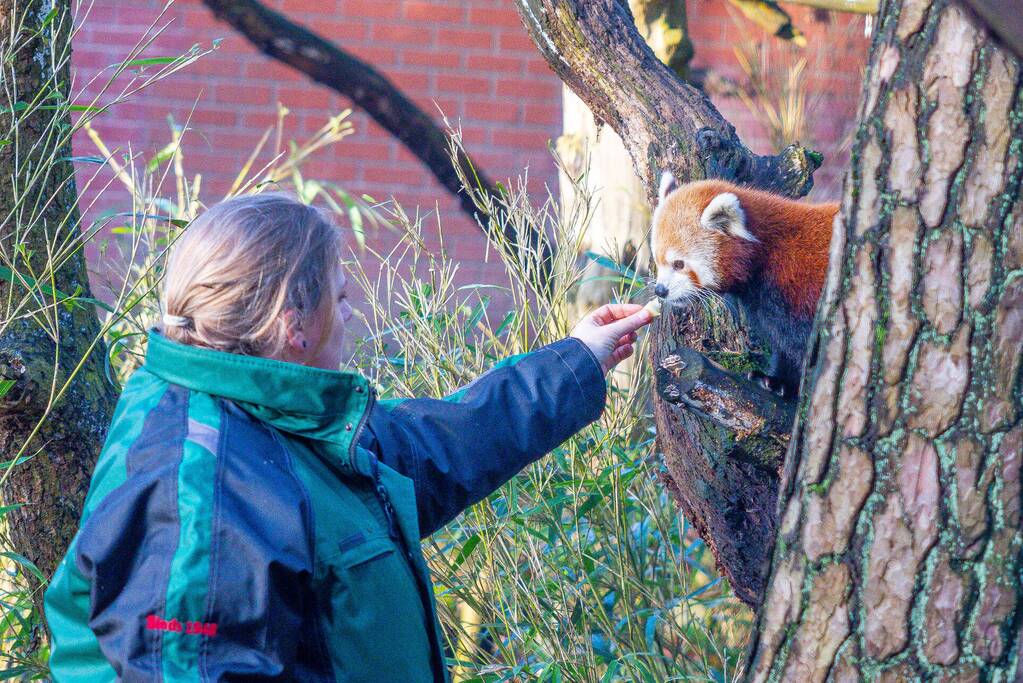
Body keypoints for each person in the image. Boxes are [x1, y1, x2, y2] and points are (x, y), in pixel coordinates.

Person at [43, 193, 654, 682]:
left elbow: (438, 445)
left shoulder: (271, 416)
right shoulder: (199, 498)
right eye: (340, 297)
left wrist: (578, 359)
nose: (352, 313)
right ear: (294, 326)